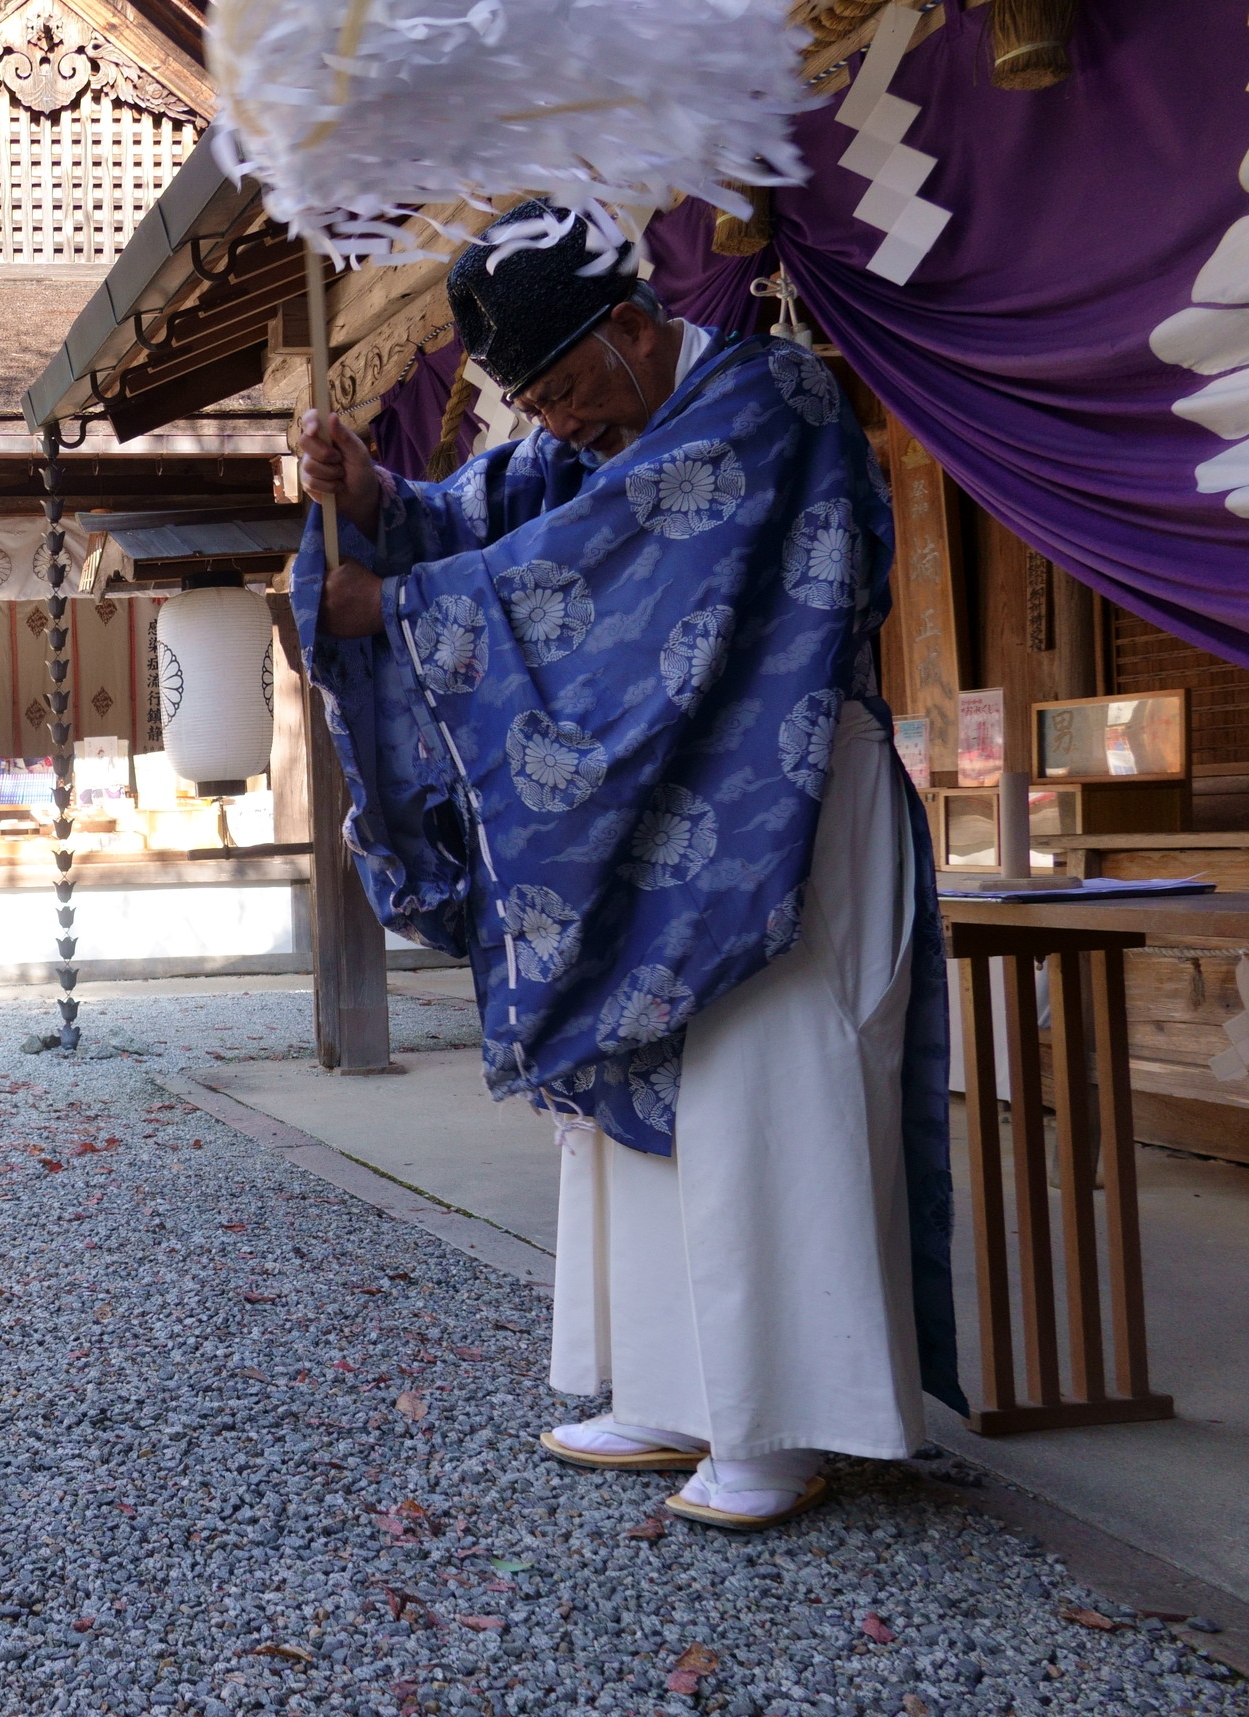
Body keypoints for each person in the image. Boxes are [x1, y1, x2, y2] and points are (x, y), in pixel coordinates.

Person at [291, 199, 962, 1531]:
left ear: (640, 328)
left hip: (787, 808)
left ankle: (776, 1421)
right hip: (677, 824)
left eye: (567, 388)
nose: (559, 425)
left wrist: (410, 607)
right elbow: (485, 519)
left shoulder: (770, 396)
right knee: (644, 1102)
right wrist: (367, 498)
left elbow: (616, 564)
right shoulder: (605, 433)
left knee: (768, 1092)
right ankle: (672, 1385)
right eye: (533, 402)